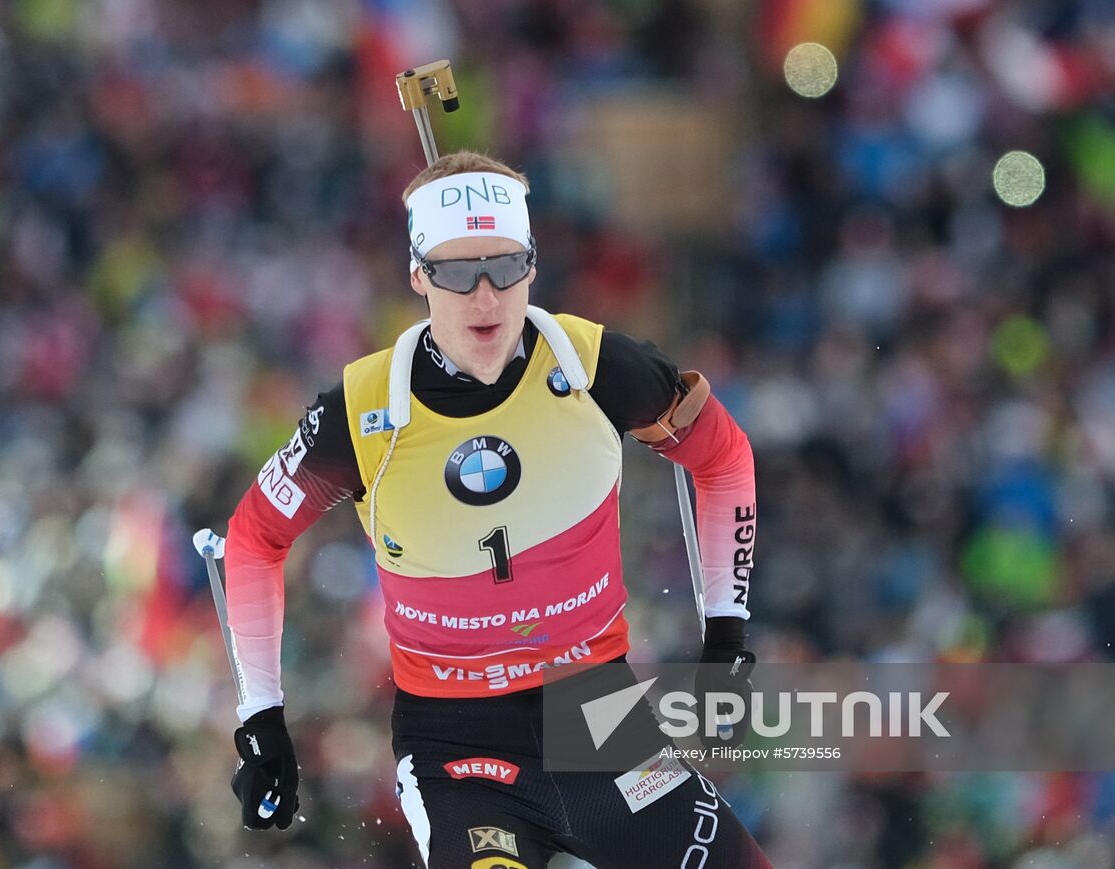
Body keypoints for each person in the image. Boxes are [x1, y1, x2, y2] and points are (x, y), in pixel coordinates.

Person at [221, 151, 771, 868]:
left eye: (504, 267)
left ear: (533, 264)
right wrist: (261, 718)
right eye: (455, 273)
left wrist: (725, 635)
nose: (484, 299)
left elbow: (723, 459)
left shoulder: (591, 364)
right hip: (459, 747)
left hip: (599, 721)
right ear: (417, 274)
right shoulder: (361, 411)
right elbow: (252, 537)